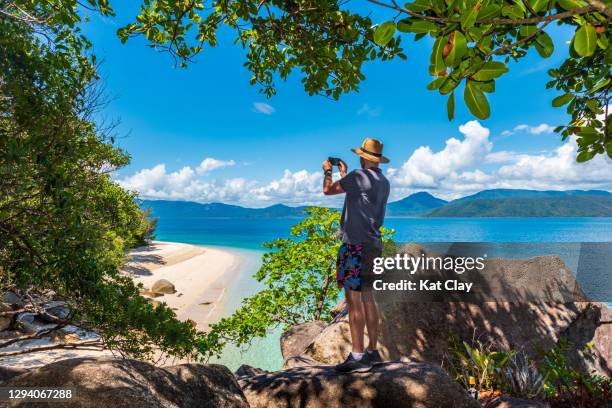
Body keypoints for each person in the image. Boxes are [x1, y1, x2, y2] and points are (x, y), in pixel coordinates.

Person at [322, 137, 390, 372]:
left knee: (354, 301)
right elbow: (357, 195)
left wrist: (328, 172)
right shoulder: (383, 181)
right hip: (373, 244)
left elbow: (328, 191)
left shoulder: (357, 178)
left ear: (363, 157)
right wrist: (345, 174)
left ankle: (358, 356)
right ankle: (372, 352)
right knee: (369, 297)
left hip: (355, 246)